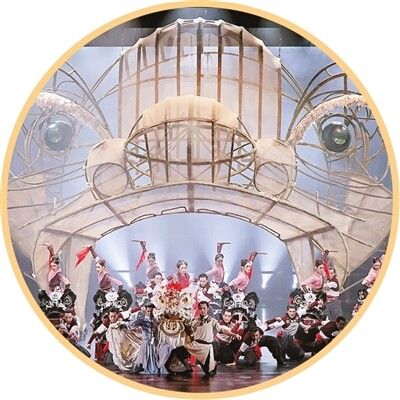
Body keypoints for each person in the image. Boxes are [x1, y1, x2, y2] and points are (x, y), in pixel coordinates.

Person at [165, 301, 241, 376]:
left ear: (207, 309)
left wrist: (234, 335)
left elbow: (222, 330)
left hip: (205, 349)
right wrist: (186, 326)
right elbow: (189, 332)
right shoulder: (194, 320)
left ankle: (213, 364)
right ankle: (188, 368)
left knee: (209, 373)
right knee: (177, 351)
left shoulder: (212, 321)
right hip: (195, 345)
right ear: (199, 309)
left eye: (204, 308)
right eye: (201, 308)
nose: (202, 310)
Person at [130, 301, 160, 374]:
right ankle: (140, 368)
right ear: (146, 310)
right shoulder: (142, 319)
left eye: (151, 311)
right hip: (146, 339)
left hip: (153, 340)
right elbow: (133, 325)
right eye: (148, 310)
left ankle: (151, 367)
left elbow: (157, 328)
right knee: (144, 353)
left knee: (153, 354)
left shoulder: (154, 319)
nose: (149, 312)